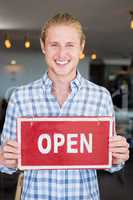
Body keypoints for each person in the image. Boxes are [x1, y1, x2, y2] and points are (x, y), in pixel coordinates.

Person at [0, 13, 129, 200]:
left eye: (70, 45)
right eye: (54, 45)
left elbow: (110, 162)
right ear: (44, 46)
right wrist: (5, 158)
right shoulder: (20, 97)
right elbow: (6, 164)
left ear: (81, 47)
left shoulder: (101, 96)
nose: (61, 54)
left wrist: (118, 156)